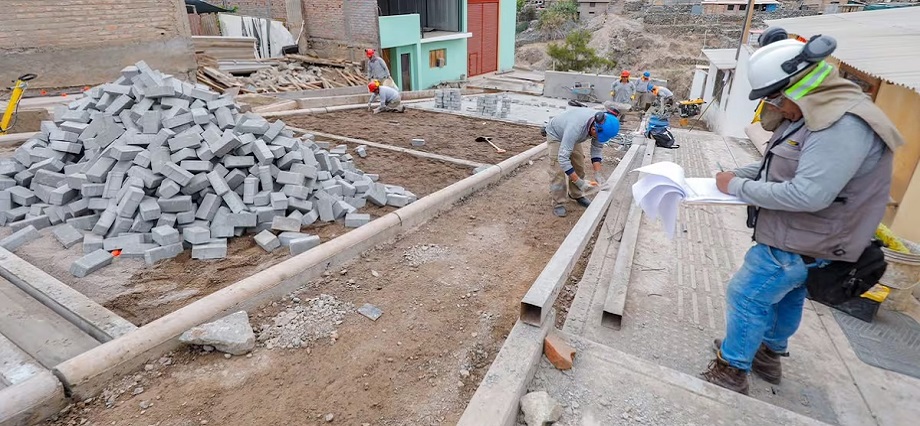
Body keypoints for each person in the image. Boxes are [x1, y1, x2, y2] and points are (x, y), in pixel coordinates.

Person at [701, 28, 904, 395]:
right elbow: (781, 167)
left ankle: (730, 370)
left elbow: (808, 194)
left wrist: (735, 187)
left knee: (747, 295)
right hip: (805, 239)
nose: (774, 107)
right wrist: (734, 176)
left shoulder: (841, 125)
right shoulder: (817, 114)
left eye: (775, 98)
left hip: (804, 238)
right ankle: (767, 354)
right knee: (788, 295)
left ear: (798, 85)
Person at [543, 108, 620, 217]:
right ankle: (558, 202)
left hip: (572, 135)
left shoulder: (601, 124)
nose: (598, 138)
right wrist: (579, 182)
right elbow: (563, 160)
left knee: (578, 165)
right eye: (597, 136)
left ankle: (576, 194)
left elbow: (597, 149)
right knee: (558, 170)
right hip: (556, 134)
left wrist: (598, 174)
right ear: (593, 129)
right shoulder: (576, 128)